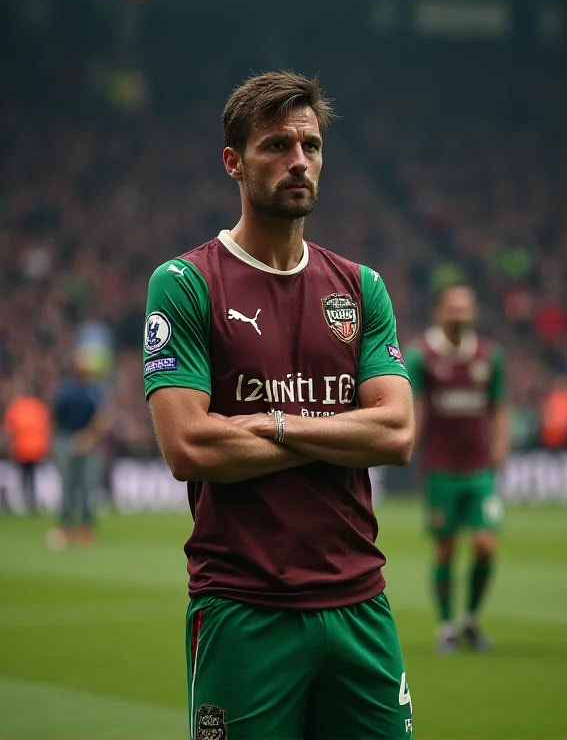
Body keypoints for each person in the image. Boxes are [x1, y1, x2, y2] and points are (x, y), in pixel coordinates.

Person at [144, 71, 415, 740]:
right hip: (244, 607)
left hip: (361, 606)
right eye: (276, 145)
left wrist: (276, 422)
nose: (298, 161)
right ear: (233, 162)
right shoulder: (184, 283)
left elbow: (398, 433)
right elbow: (192, 448)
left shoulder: (361, 287)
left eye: (311, 145)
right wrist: (338, 430)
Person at [405, 283, 509, 654]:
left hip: (480, 468)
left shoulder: (488, 355)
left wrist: (500, 445)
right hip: (441, 467)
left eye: (466, 308)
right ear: (439, 312)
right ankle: (447, 626)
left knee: (484, 545)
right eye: (454, 308)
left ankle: (470, 619)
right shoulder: (421, 355)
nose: (461, 314)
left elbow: (498, 406)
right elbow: (411, 403)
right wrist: (407, 441)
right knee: (446, 549)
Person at [46, 350, 107, 549]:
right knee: (68, 485)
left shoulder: (94, 391)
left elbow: (101, 418)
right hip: (66, 439)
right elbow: (54, 417)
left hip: (88, 441)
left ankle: (85, 526)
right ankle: (65, 525)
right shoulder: (66, 391)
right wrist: (60, 440)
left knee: (88, 485)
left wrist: (88, 437)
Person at [3, 378, 52, 514]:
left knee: (24, 477)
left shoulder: (16, 407)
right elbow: (46, 429)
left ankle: (27, 502)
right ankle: (31, 503)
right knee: (31, 478)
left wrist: (8, 447)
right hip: (36, 449)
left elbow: (9, 430)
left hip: (22, 449)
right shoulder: (39, 407)